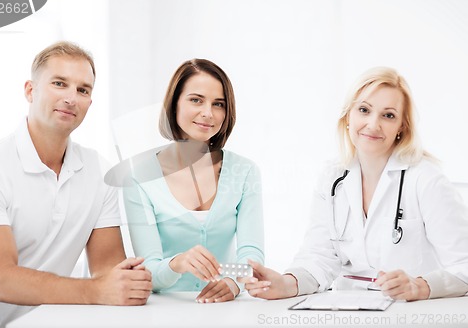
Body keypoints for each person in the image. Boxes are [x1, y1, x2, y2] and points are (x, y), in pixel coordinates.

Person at [244, 66, 468, 301]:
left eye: (388, 115)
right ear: (348, 116)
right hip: (348, 309)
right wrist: (286, 284)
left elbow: (464, 265)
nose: (373, 124)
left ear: (402, 126)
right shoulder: (333, 177)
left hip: (408, 313)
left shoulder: (426, 180)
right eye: (364, 110)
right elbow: (319, 257)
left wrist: (420, 286)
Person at [0, 41, 152, 328]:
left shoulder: (98, 171)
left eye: (83, 90)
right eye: (59, 83)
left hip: (51, 320)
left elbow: (106, 269)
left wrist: (130, 280)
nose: (71, 98)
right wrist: (97, 291)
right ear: (30, 90)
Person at [120, 58, 264, 303]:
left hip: (224, 312)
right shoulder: (138, 176)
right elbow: (150, 273)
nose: (208, 113)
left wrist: (234, 284)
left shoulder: (244, 171)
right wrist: (178, 263)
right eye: (196, 100)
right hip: (163, 311)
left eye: (218, 104)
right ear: (174, 104)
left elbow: (252, 255)